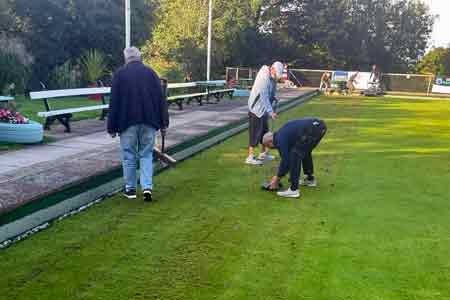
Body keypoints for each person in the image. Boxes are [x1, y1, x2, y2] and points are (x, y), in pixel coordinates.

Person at [108, 47, 169, 202]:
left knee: (129, 155)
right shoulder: (151, 73)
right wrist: (164, 123)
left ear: (126, 58)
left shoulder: (119, 75)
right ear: (139, 57)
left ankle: (130, 189)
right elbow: (161, 100)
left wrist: (112, 127)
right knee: (146, 154)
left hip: (126, 122)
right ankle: (147, 187)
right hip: (149, 120)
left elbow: (114, 102)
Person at [262, 118, 327, 198]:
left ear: (270, 142)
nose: (272, 148)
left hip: (313, 129)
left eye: (269, 146)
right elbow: (287, 160)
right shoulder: (282, 134)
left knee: (295, 154)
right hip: (320, 126)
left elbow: (286, 161)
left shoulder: (279, 140)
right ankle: (310, 179)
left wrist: (277, 178)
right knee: (303, 151)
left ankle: (294, 190)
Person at [245, 61, 284, 165]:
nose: (276, 78)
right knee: (255, 133)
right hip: (256, 109)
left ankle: (263, 154)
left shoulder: (273, 78)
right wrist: (271, 112)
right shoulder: (264, 76)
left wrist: (274, 97)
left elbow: (272, 91)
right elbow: (264, 96)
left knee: (264, 132)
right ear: (273, 69)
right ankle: (250, 157)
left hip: (263, 110)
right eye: (276, 75)